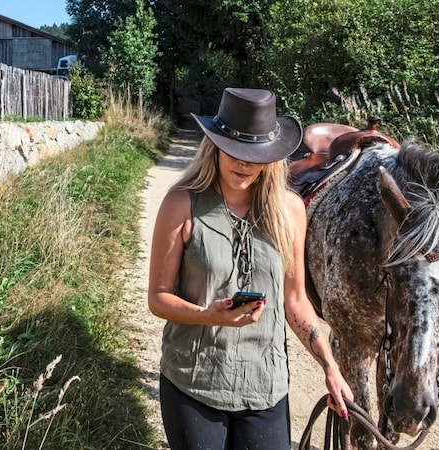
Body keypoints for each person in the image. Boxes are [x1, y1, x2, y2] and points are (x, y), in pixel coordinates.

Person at [147, 87, 353, 449]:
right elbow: (158, 298)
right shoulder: (181, 203)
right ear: (215, 146)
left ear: (270, 156)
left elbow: (295, 300)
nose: (243, 163)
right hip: (194, 381)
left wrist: (330, 368)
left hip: (264, 384)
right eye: (234, 151)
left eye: (254, 154)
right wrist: (206, 315)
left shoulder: (289, 210)